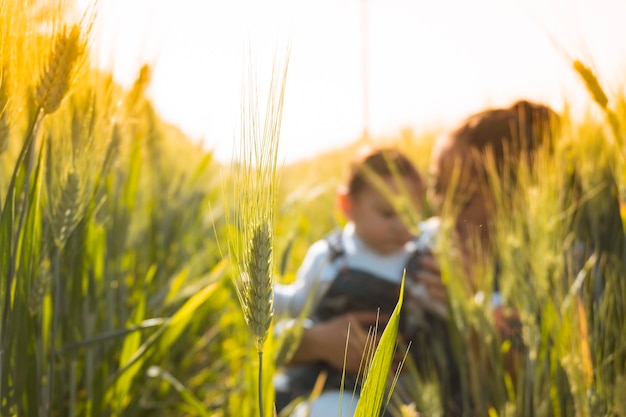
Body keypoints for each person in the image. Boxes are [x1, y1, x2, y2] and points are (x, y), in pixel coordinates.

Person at [272, 145, 437, 416]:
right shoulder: (330, 256)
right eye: (386, 213)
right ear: (348, 205)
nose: (400, 225)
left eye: (409, 214)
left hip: (393, 385)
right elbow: (299, 302)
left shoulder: (420, 262)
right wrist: (265, 296)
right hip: (324, 378)